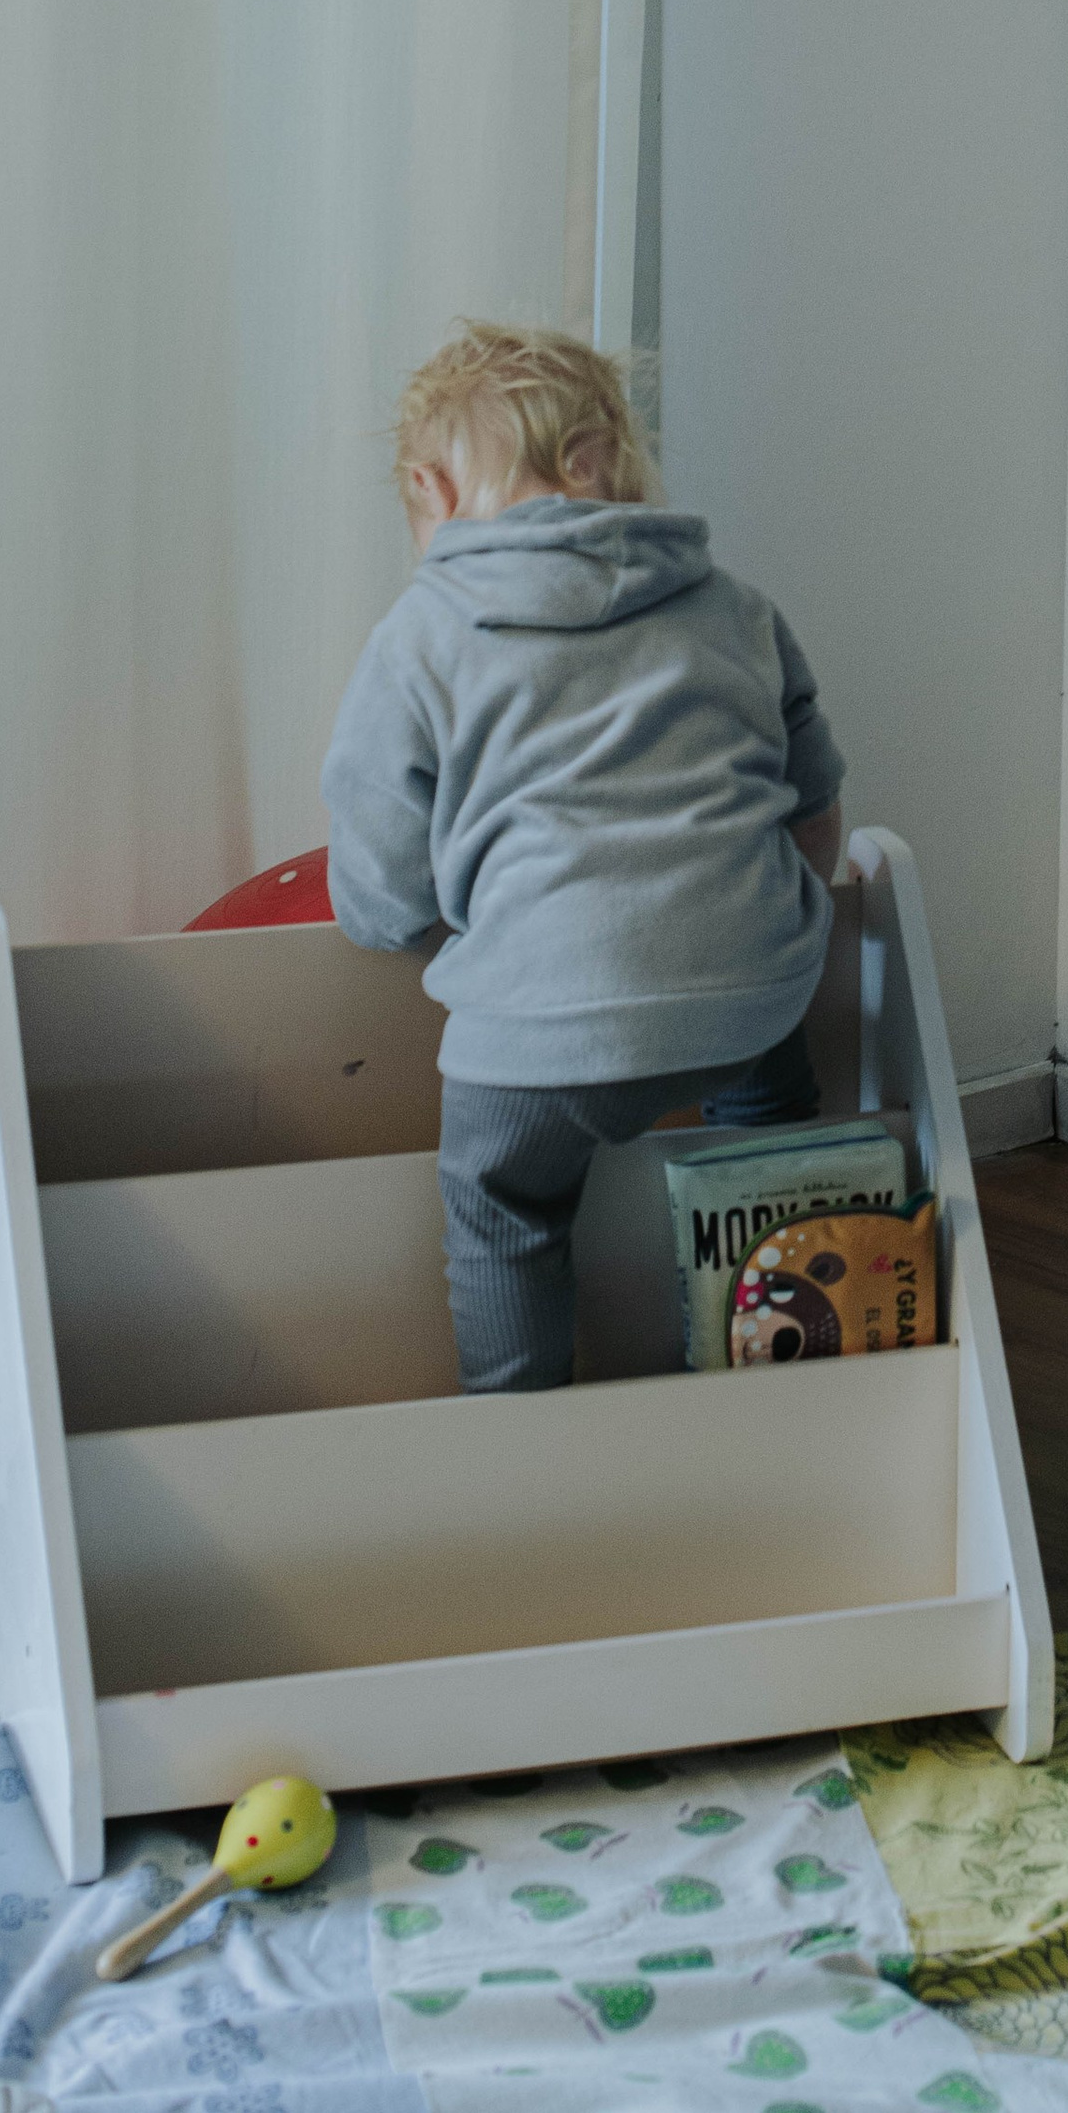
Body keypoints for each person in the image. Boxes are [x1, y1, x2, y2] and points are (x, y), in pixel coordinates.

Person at [324, 321, 843, 1392]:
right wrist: (782, 915)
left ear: (428, 487)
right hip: (750, 986)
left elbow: (378, 861)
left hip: (544, 1018)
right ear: (603, 462)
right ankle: (792, 1349)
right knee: (767, 1103)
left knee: (500, 1206)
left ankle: (521, 1425)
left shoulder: (419, 634)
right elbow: (814, 803)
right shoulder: (735, 604)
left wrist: (395, 923)